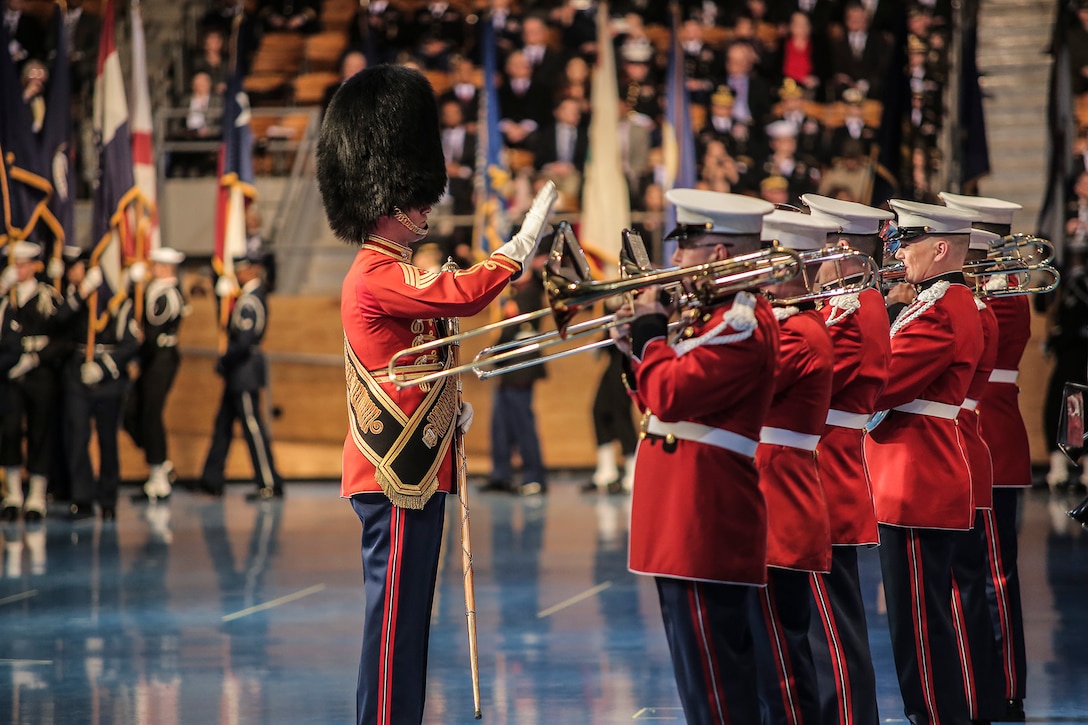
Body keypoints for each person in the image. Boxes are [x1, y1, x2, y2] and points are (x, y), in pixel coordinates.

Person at [314, 64, 557, 725]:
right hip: (395, 472)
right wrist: (516, 249)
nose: (427, 207)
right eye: (417, 198)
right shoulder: (373, 273)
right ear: (387, 199)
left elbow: (420, 357)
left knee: (408, 621)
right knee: (393, 621)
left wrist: (448, 407)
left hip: (419, 464)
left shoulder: (392, 270)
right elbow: (461, 295)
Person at [613, 189, 777, 724]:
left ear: (721, 256)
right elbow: (658, 407)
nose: (676, 259)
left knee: (717, 690)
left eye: (687, 245)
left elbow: (671, 394)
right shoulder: (711, 321)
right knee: (698, 682)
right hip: (680, 520)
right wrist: (634, 350)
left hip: (703, 520)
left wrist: (649, 333)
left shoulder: (741, 324)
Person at [865, 199, 983, 724]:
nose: (898, 251)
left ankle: (936, 718)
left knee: (920, 627)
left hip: (918, 477)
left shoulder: (945, 306)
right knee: (917, 624)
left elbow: (885, 381)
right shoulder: (937, 301)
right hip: (909, 472)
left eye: (908, 242)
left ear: (940, 248)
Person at [939, 191, 1033, 721]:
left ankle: (1005, 688)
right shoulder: (990, 289)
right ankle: (982, 682)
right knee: (974, 572)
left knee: (994, 575)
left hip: (990, 440)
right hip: (984, 437)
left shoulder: (997, 293)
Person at [802, 193, 892, 725]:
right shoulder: (849, 306)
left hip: (826, 473)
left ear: (840, 252)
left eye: (818, 250)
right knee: (825, 625)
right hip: (825, 466)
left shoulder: (851, 311)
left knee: (831, 631)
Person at [749, 208, 837, 725]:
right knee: (768, 652)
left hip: (781, 498)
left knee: (781, 656)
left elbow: (737, 387)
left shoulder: (800, 332)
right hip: (771, 491)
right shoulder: (788, 325)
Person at [199, 254, 284, 500]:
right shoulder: (246, 297)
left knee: (252, 426)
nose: (238, 273)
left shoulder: (250, 300)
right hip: (238, 371)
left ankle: (268, 481)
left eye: (242, 269)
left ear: (253, 271)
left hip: (243, 370)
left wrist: (225, 360)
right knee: (223, 425)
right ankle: (211, 478)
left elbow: (245, 340)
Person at [64, 258, 141, 521]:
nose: (69, 272)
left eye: (74, 268)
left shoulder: (118, 301)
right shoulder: (76, 298)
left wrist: (105, 367)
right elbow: (59, 321)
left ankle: (108, 498)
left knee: (108, 441)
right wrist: (82, 294)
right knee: (77, 436)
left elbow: (131, 344)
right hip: (78, 374)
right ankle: (82, 496)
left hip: (108, 380)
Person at [0, 243, 70, 523]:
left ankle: (36, 495)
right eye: (16, 264)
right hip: (9, 372)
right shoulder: (6, 298)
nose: (21, 269)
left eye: (26, 264)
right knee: (10, 430)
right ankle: (13, 494)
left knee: (41, 430)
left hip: (39, 370)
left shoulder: (47, 296)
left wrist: (36, 359)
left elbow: (63, 339)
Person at [125, 248, 189, 502]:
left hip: (161, 359)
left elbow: (152, 331)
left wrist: (135, 343)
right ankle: (160, 462)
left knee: (151, 414)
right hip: (152, 359)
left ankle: (158, 478)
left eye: (156, 265)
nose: (152, 269)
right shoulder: (154, 290)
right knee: (132, 411)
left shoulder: (169, 295)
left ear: (166, 268)